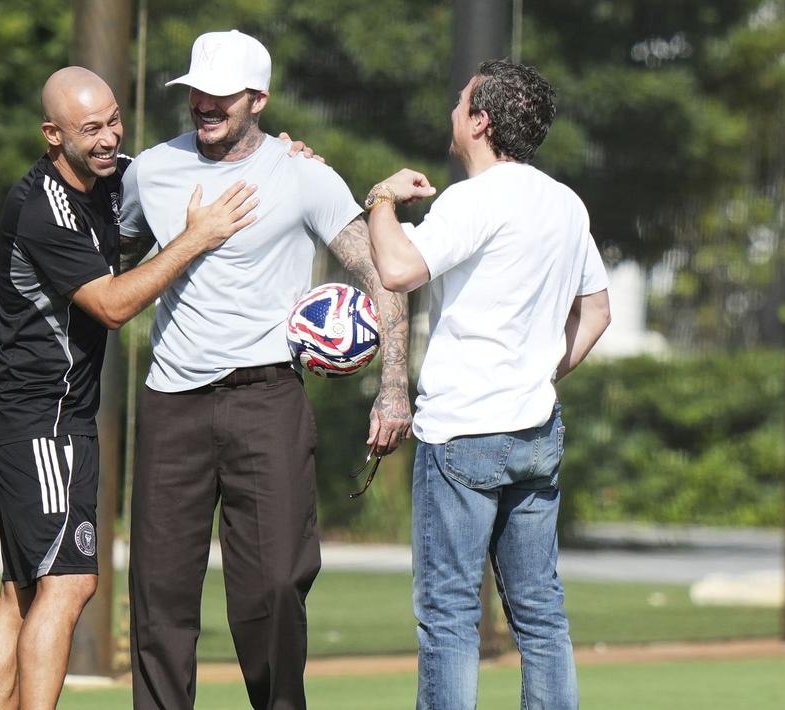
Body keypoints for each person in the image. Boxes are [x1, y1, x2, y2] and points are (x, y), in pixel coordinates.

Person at [118, 30, 412, 710]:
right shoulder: (150, 171)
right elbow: (108, 255)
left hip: (267, 399)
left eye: (221, 95)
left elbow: (383, 271)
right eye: (197, 92)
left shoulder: (303, 174)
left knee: (275, 584)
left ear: (259, 99)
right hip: (172, 401)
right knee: (159, 596)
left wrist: (392, 389)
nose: (204, 105)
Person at [0, 66, 261, 710]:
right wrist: (197, 238)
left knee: (23, 589)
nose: (108, 138)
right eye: (90, 129)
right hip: (40, 421)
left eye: (113, 120)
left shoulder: (111, 176)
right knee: (70, 583)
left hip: (44, 417)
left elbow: (194, 165)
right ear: (53, 135)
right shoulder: (42, 206)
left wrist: (287, 154)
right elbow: (110, 305)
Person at [364, 60, 612, 710]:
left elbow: (394, 267)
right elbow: (597, 311)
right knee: (540, 614)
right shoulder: (563, 201)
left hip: (463, 437)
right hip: (535, 434)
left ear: (480, 120)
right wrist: (538, 371)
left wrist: (381, 199)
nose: (452, 110)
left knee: (448, 615)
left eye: (459, 101)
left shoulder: (475, 198)